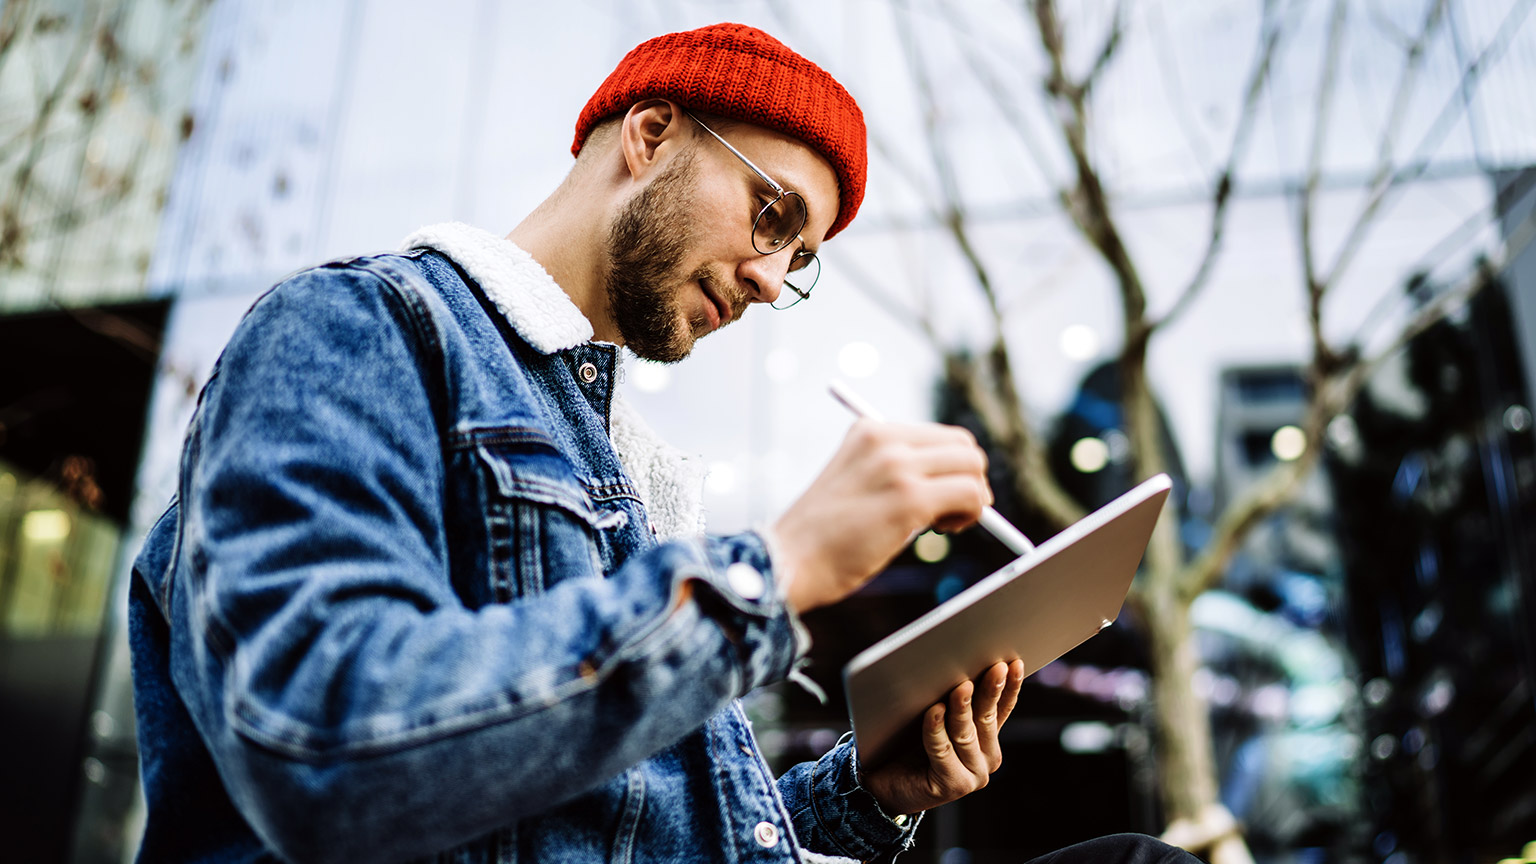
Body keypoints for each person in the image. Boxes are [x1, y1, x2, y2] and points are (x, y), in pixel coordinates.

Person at [127, 22, 1197, 864]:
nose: (774, 277)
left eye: (802, 256)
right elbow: (321, 746)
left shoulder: (629, 474)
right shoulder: (362, 331)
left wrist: (867, 793)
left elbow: (656, 835)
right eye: (772, 215)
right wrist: (774, 573)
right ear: (651, 132)